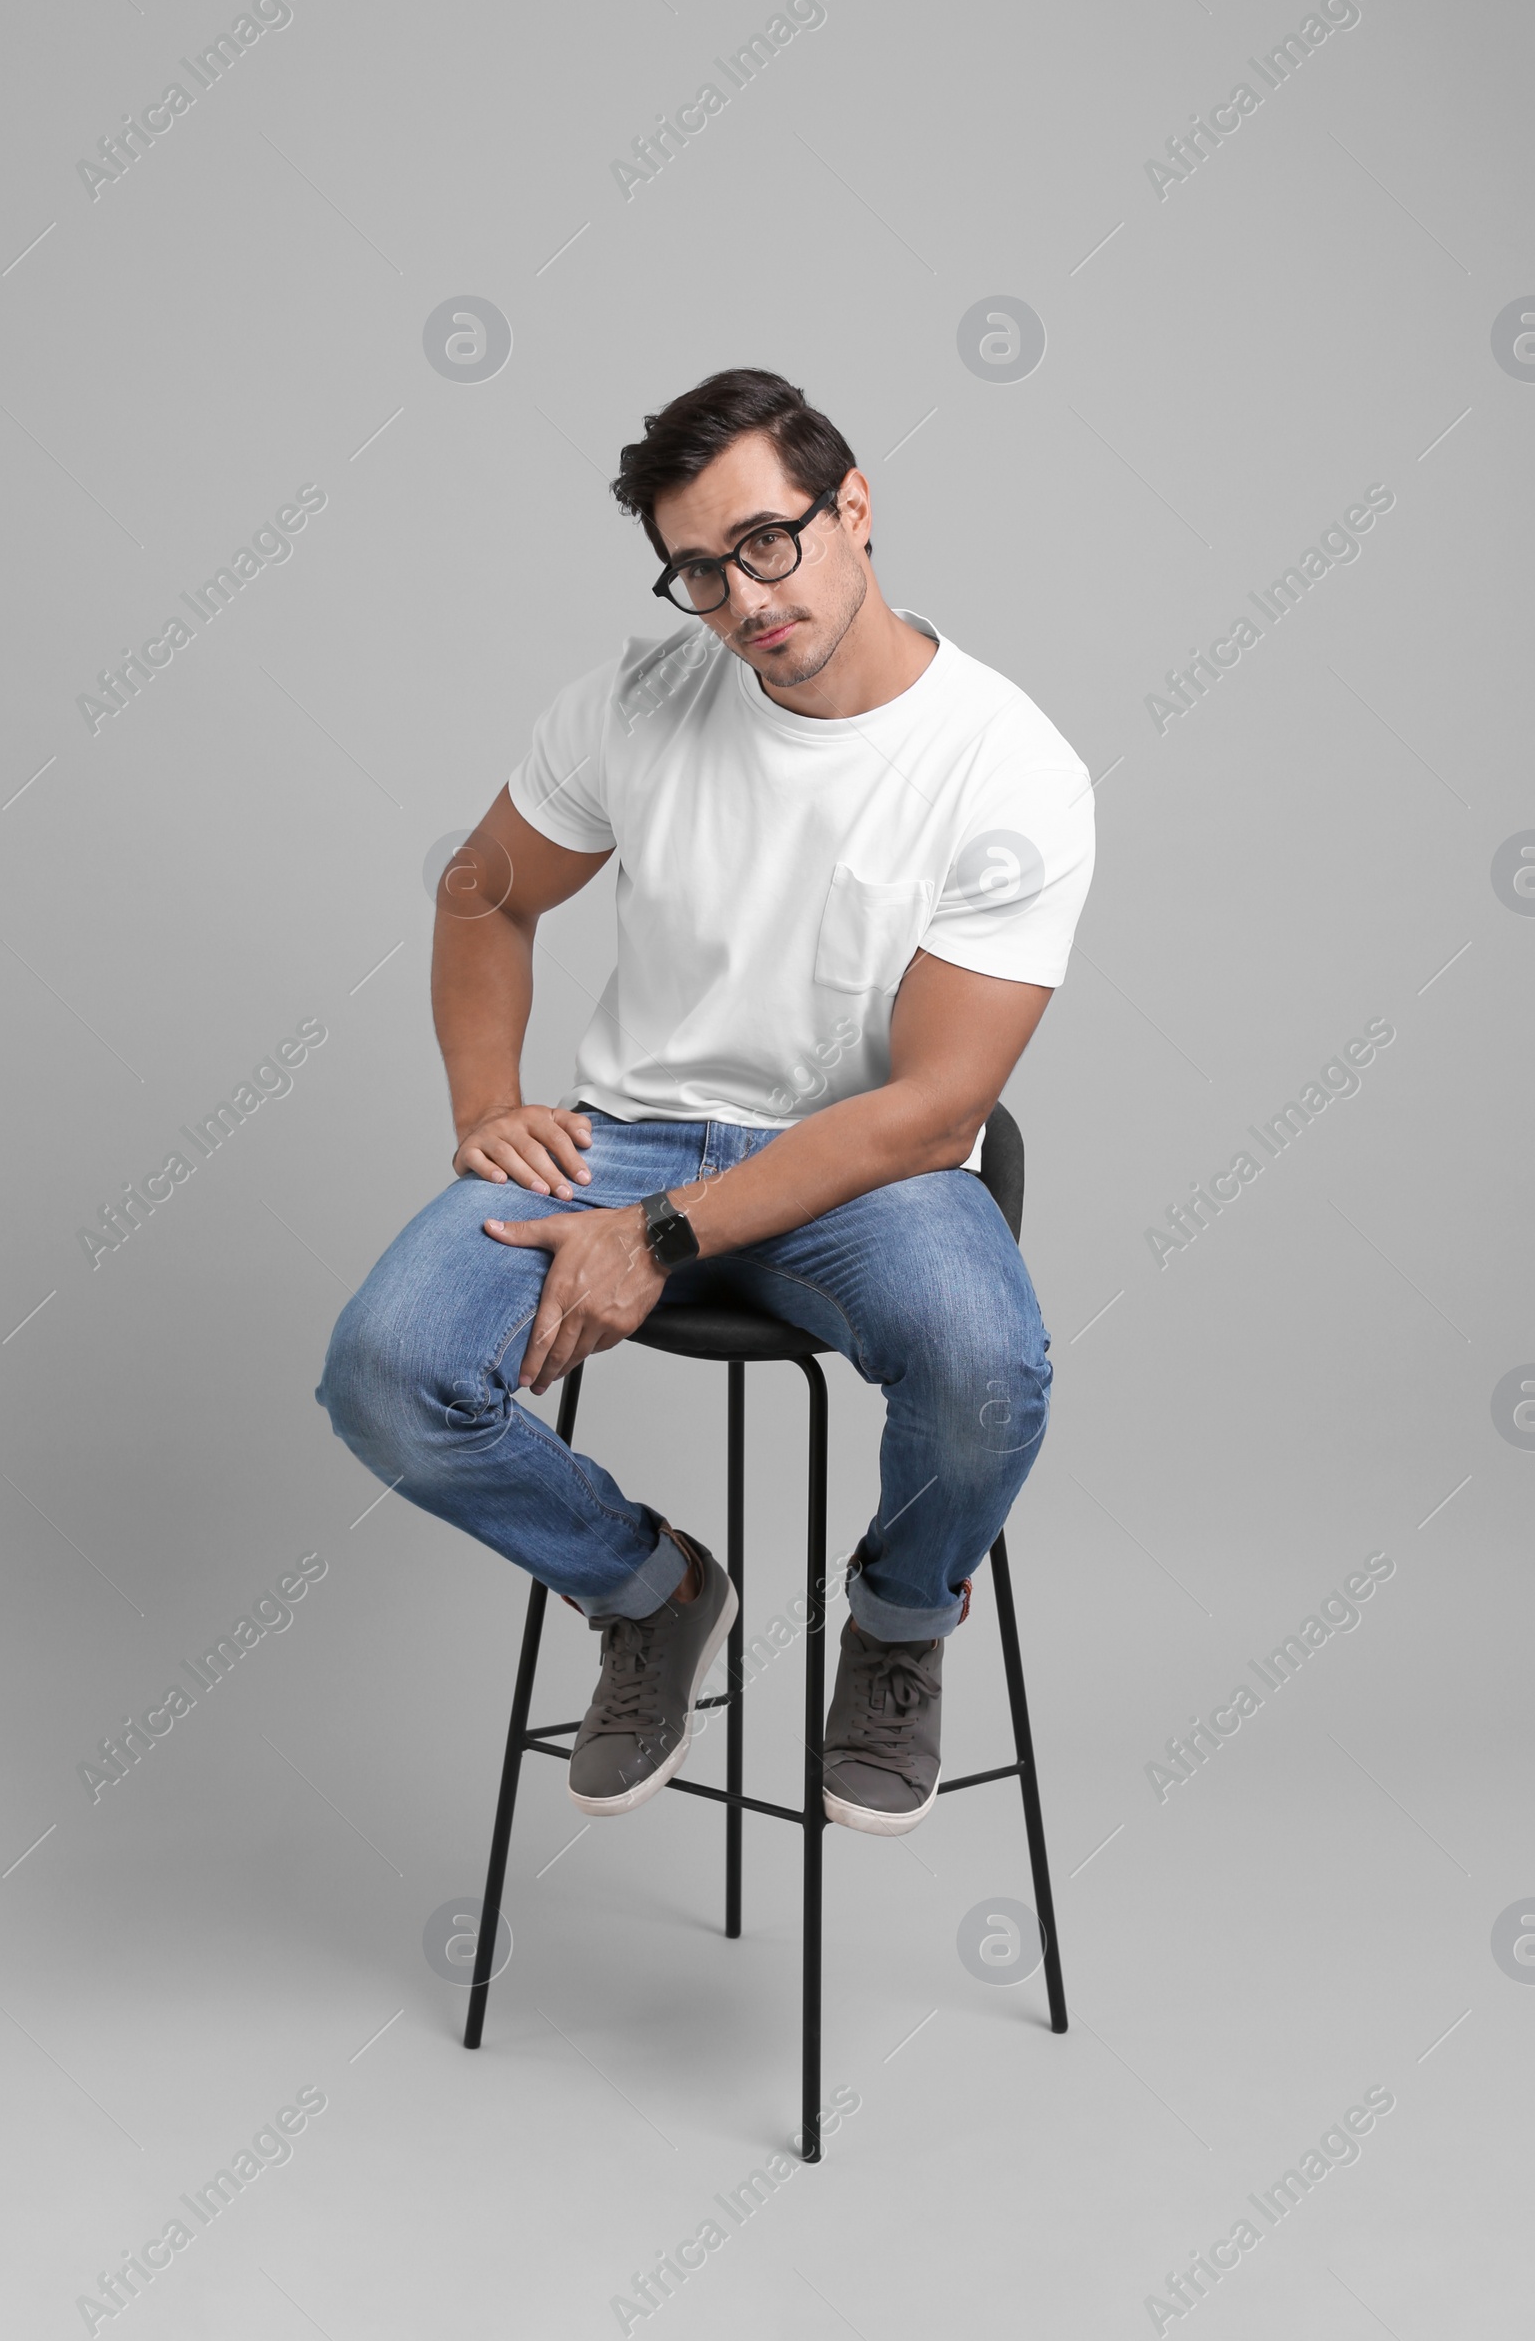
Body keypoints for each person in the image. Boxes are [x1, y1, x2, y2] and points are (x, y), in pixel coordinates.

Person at [316, 367, 1095, 1836]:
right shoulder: (638, 699)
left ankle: (901, 1624)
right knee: (387, 1370)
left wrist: (658, 1239)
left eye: (766, 543)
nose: (740, 599)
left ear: (853, 509)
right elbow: (482, 892)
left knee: (989, 1368)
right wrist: (487, 1099)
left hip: (870, 1163)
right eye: (696, 569)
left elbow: (932, 1113)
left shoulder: (1009, 767)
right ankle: (652, 1590)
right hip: (631, 1132)